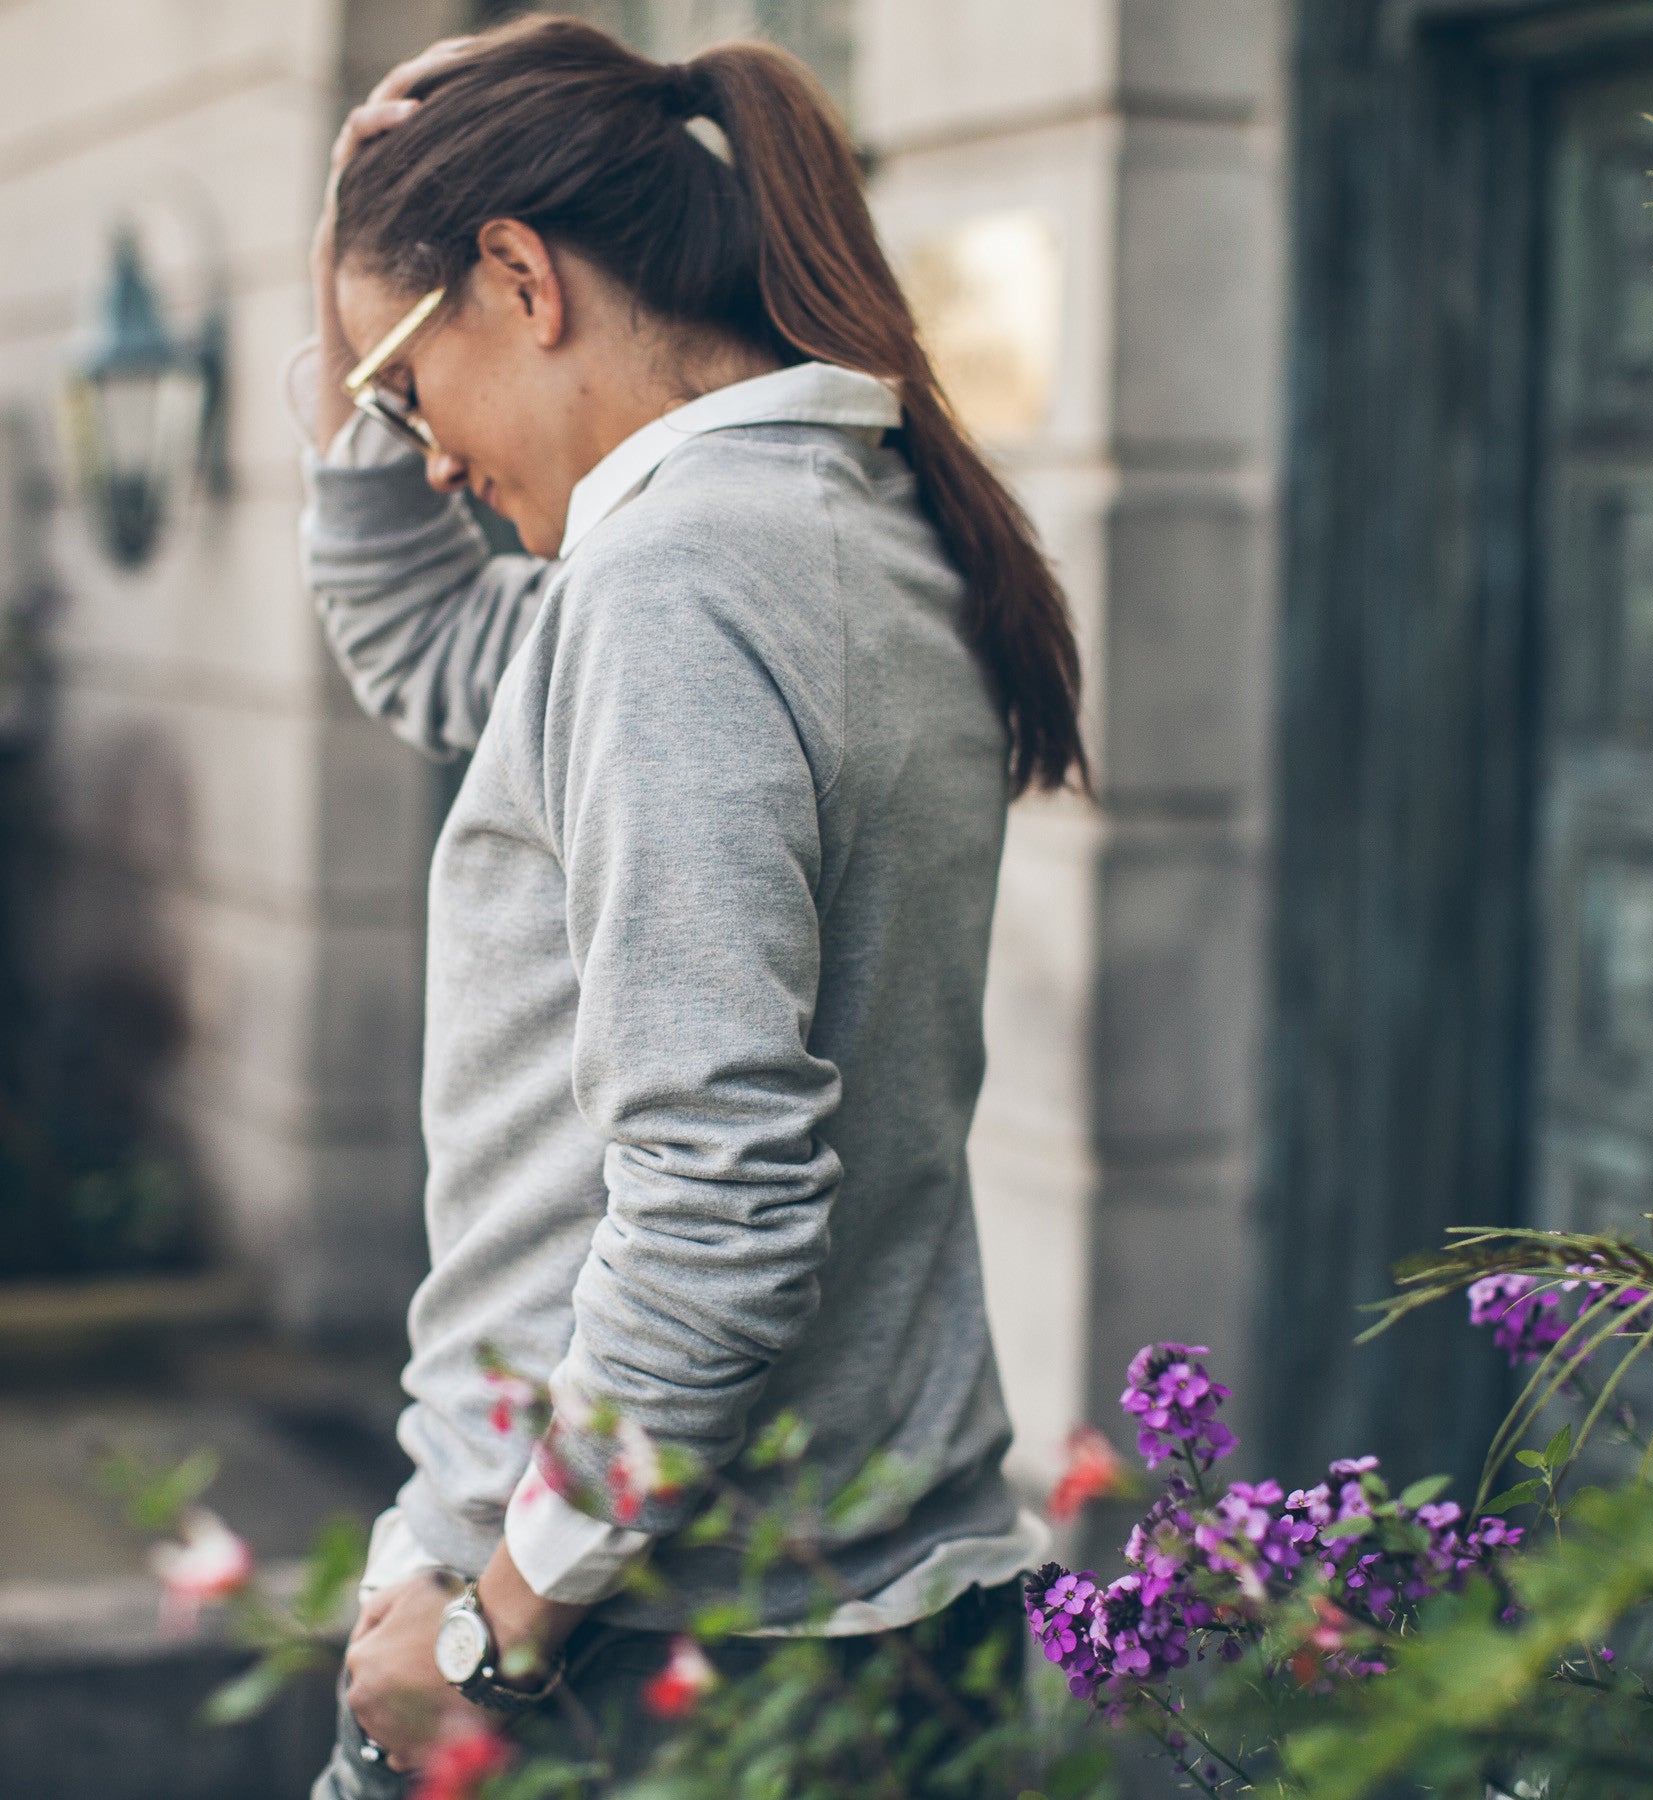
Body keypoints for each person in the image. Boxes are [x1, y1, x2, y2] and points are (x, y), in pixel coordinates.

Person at [292, 16, 1088, 1794]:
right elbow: (426, 650)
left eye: (405, 389)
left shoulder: (671, 590)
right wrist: (349, 266)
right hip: (854, 1596)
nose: (417, 454)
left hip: (654, 1648)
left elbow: (720, 1199)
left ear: (520, 275)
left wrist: (498, 1622)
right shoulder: (853, 527)